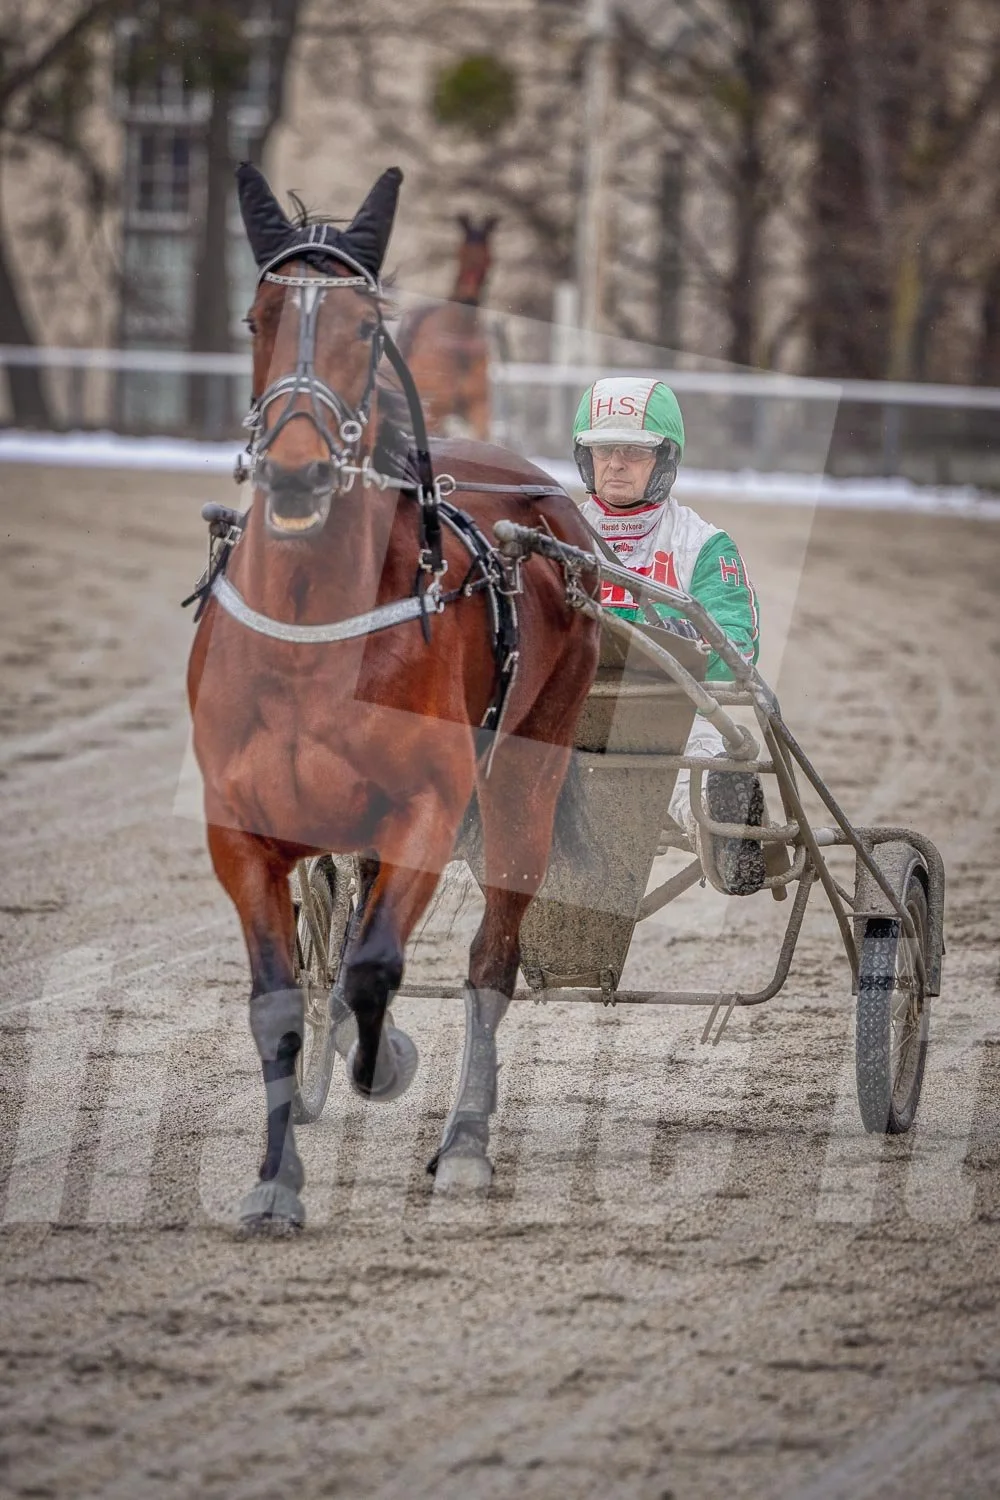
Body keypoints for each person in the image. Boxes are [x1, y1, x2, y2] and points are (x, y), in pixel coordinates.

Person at [572, 375, 766, 895]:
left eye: (634, 451)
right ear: (584, 457)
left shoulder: (705, 546)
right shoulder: (552, 533)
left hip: (671, 722)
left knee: (701, 766)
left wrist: (669, 637)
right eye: (604, 449)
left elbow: (736, 653)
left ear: (664, 460)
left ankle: (724, 823)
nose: (615, 463)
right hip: (563, 719)